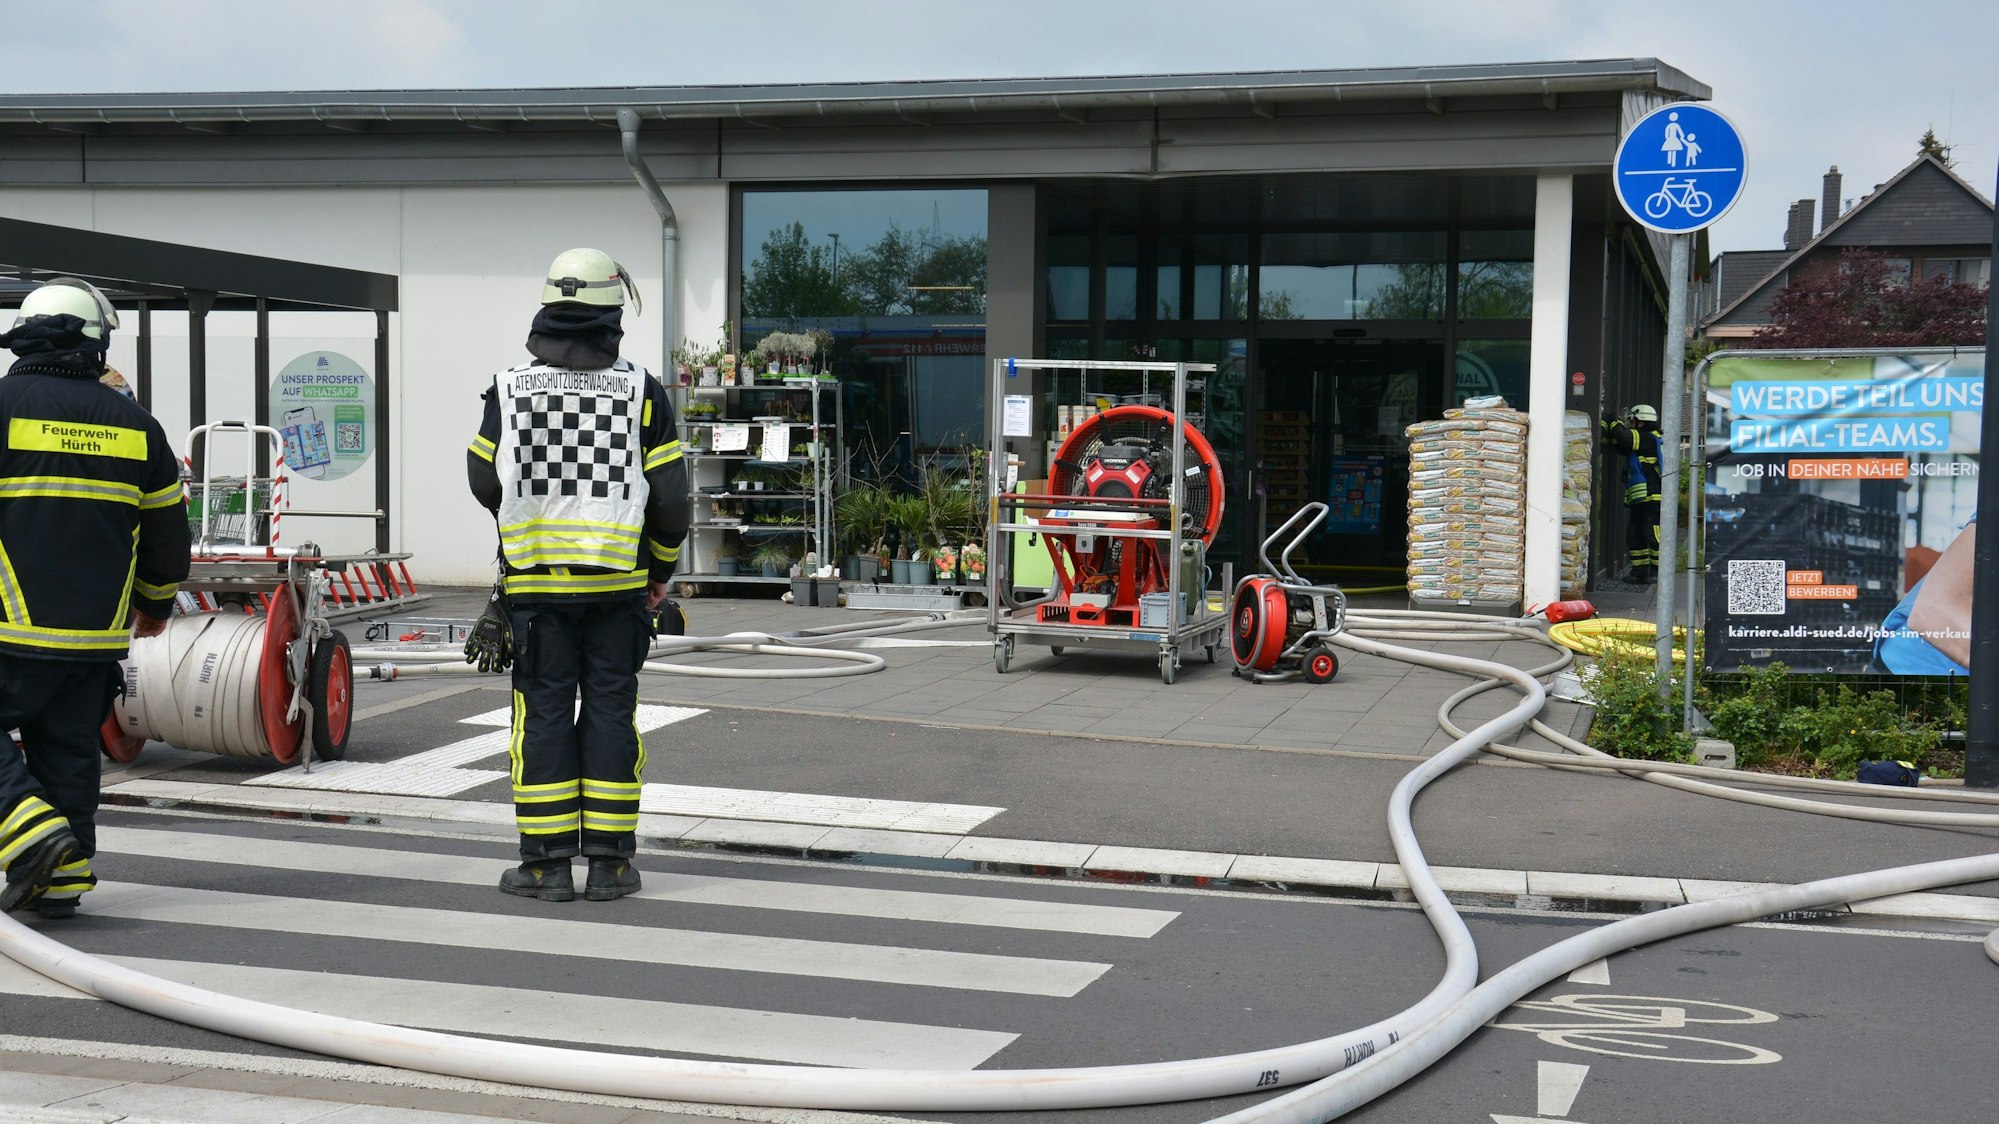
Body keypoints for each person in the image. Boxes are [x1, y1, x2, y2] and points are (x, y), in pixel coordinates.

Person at [465, 248, 688, 903]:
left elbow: (482, 477)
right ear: (612, 314)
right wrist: (659, 571)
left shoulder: (507, 390)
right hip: (619, 590)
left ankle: (546, 867)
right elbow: (671, 498)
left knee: (543, 720)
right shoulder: (641, 391)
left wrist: (523, 518)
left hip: (537, 593)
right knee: (612, 717)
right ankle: (613, 866)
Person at [0, 278, 189, 918]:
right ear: (95, 342)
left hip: (9, 631)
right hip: (95, 638)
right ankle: (62, 880)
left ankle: (30, 834)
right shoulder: (137, 425)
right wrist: (157, 605)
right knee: (68, 753)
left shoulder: (1, 406)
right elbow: (167, 533)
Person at [1602, 404, 1662, 583]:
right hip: (1640, 498)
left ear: (1640, 421)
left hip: (1653, 497)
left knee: (1652, 534)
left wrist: (1613, 421)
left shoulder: (1649, 438)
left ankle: (1658, 572)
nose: (1630, 424)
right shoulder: (1641, 439)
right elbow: (1619, 443)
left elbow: (1625, 438)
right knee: (1634, 534)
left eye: (1632, 420)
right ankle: (1640, 572)